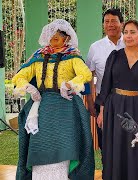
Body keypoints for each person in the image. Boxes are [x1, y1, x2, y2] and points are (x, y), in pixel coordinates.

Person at [12, 19, 94, 179]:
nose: (52, 41)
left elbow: (86, 74)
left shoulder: (73, 56)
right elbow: (19, 76)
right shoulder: (38, 56)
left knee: (65, 146)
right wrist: (29, 87)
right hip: (41, 109)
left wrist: (70, 84)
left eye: (56, 38)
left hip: (66, 109)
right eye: (50, 37)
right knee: (39, 145)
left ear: (66, 38)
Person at [95, 19, 138, 180]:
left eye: (133, 32)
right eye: (126, 32)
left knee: (137, 146)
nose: (128, 36)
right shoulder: (115, 56)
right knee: (115, 147)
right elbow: (105, 85)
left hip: (137, 107)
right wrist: (102, 111)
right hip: (114, 107)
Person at [85, 8, 125, 151]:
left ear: (122, 23)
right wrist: (90, 101)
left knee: (126, 141)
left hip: (127, 101)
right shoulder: (95, 47)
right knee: (105, 142)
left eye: (114, 21)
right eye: (107, 22)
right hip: (103, 101)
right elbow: (89, 76)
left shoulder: (131, 44)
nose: (110, 25)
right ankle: (107, 172)